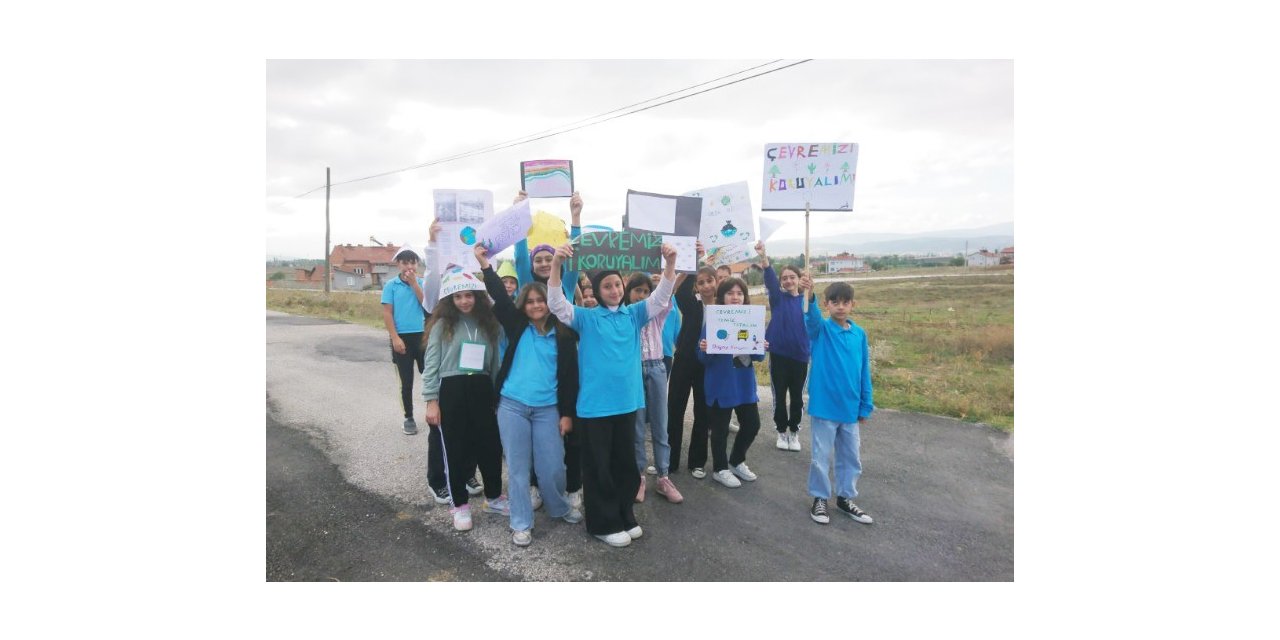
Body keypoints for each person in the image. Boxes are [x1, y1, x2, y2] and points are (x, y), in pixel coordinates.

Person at [547, 240, 678, 548]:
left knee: (626, 466)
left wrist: (670, 264)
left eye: (617, 284)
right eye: (606, 286)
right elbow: (556, 303)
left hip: (628, 403)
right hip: (595, 408)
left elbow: (661, 298)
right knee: (599, 468)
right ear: (597, 289)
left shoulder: (633, 315)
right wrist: (555, 265)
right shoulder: (586, 317)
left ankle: (624, 515)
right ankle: (601, 523)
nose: (614, 290)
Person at [475, 245, 584, 546]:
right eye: (531, 301)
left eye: (542, 300)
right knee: (519, 469)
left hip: (548, 409)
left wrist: (567, 414)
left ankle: (559, 506)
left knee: (552, 469)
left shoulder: (564, 334)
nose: (536, 305)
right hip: (512, 406)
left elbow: (570, 378)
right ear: (523, 305)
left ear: (550, 303)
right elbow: (497, 290)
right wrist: (484, 264)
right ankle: (521, 521)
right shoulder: (516, 324)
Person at [422, 243, 508, 532]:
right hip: (452, 390)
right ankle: (459, 505)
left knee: (489, 445)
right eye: (458, 296)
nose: (464, 301)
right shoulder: (442, 325)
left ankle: (494, 496)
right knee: (456, 449)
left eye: (469, 295)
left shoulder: (489, 323)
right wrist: (431, 400)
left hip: (483, 389)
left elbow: (495, 361)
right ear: (450, 298)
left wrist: (498, 394)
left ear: (478, 296)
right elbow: (431, 363)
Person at [800, 275, 875, 525]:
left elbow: (864, 370)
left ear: (853, 304)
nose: (840, 306)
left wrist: (866, 403)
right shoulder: (821, 331)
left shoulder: (859, 335)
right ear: (826, 304)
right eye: (835, 302)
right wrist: (808, 295)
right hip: (824, 407)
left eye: (845, 302)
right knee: (820, 457)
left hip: (851, 408)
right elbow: (810, 319)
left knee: (851, 457)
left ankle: (845, 497)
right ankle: (820, 498)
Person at [381, 247, 450, 502]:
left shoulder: (420, 282)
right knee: (406, 381)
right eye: (404, 262)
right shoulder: (390, 286)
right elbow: (387, 313)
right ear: (398, 264)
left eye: (412, 262)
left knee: (430, 376)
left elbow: (427, 306)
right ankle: (408, 416)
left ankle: (435, 408)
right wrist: (395, 337)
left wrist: (414, 284)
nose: (408, 266)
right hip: (401, 338)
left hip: (421, 336)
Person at [696, 276, 768, 488]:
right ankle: (720, 469)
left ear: (745, 297)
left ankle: (736, 461)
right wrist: (704, 348)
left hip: (744, 382)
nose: (735, 297)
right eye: (730, 293)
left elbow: (758, 357)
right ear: (721, 297)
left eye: (739, 293)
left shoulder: (752, 319)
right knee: (720, 429)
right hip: (721, 383)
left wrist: (760, 346)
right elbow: (702, 359)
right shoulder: (713, 320)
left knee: (752, 424)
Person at [623, 272, 684, 504]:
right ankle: (639, 476)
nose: (642, 295)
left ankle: (663, 477)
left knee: (660, 424)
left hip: (657, 367)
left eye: (646, 291)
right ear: (628, 293)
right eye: (637, 290)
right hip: (633, 372)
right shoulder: (625, 315)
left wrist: (684, 268)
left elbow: (669, 290)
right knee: (637, 427)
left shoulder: (658, 313)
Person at [757, 242, 810, 452]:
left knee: (797, 397)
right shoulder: (777, 298)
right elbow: (769, 280)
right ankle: (781, 432)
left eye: (792, 277)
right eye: (784, 278)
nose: (788, 280)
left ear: (799, 280)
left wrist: (810, 289)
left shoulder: (806, 300)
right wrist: (764, 258)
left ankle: (794, 433)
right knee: (779, 395)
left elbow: (814, 321)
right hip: (778, 354)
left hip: (800, 356)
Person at [668, 258, 717, 480]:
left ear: (717, 281)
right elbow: (679, 292)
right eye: (701, 282)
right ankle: (668, 461)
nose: (706, 286)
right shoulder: (691, 303)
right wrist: (694, 261)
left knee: (703, 413)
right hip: (684, 360)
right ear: (696, 286)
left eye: (710, 281)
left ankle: (697, 462)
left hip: (707, 365)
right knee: (675, 409)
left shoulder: (726, 309)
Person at [513, 190, 582, 301]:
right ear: (532, 265)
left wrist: (576, 216)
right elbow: (521, 257)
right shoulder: (527, 283)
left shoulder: (566, 285)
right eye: (538, 260)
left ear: (557, 261)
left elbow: (575, 254)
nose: (544, 264)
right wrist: (519, 213)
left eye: (549, 259)